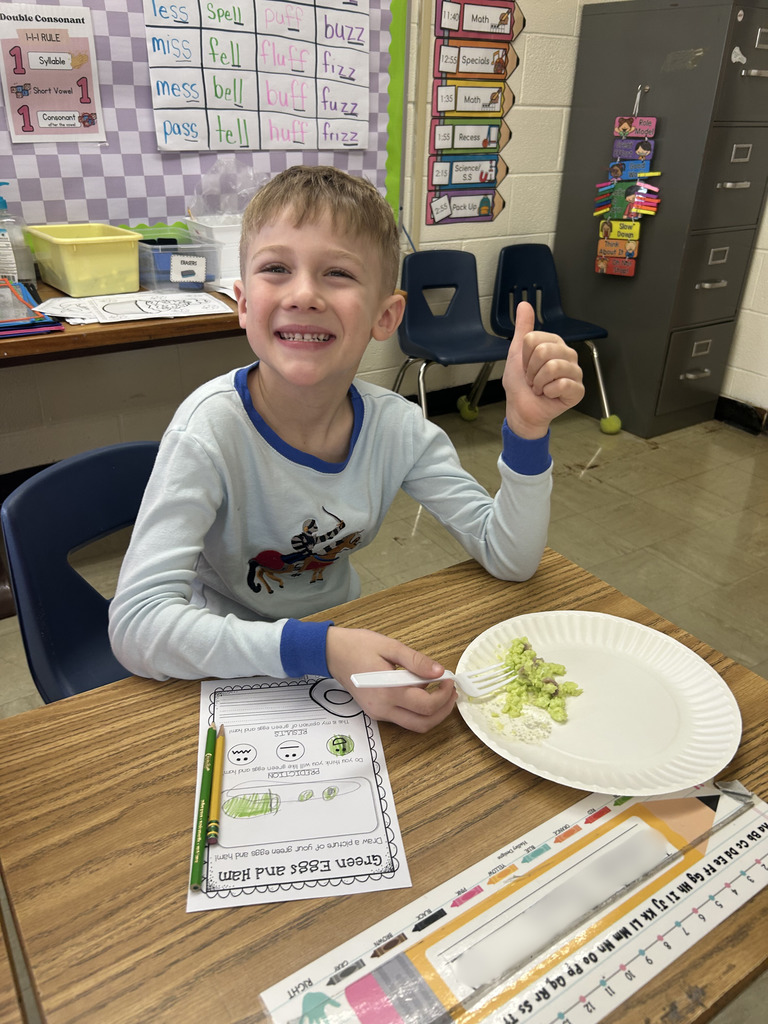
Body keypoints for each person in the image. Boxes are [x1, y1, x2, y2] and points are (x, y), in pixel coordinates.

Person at [108, 165, 584, 732]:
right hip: (224, 662)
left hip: (343, 637)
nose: (304, 293)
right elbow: (137, 627)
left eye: (337, 273)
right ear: (241, 303)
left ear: (386, 316)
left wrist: (528, 433)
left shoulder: (399, 430)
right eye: (276, 268)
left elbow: (510, 557)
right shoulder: (207, 433)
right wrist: (322, 651)